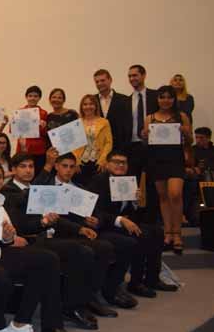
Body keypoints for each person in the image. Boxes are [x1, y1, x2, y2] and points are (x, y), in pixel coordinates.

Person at [0, 162, 78, 332]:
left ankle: (22, 324)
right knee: (10, 272)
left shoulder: (5, 199)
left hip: (4, 249)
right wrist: (7, 238)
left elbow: (21, 225)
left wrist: (42, 222)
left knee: (47, 260)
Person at [3, 152, 107, 330]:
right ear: (13, 170)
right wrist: (43, 221)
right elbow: (21, 223)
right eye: (23, 166)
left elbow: (56, 217)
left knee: (86, 250)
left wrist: (77, 228)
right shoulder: (10, 191)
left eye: (30, 166)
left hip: (46, 236)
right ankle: (71, 307)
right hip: (29, 240)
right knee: (78, 252)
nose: (28, 170)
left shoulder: (38, 189)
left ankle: (77, 303)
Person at [89, 150, 177, 300]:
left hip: (122, 224)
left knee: (157, 231)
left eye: (124, 162)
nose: (120, 165)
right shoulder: (99, 181)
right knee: (143, 235)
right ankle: (135, 283)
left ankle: (152, 279)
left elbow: (133, 214)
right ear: (107, 164)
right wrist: (120, 220)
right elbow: (96, 212)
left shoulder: (128, 181)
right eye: (116, 162)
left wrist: (136, 203)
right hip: (105, 226)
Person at [142, 85, 192, 254]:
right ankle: (168, 233)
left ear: (174, 99)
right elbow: (146, 141)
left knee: (175, 194)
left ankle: (178, 234)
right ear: (157, 99)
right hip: (157, 160)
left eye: (169, 97)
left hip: (175, 159)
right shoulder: (150, 118)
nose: (165, 100)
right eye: (162, 97)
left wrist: (186, 132)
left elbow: (190, 140)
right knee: (163, 197)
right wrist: (144, 135)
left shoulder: (182, 116)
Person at [72, 94, 112, 186]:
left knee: (97, 189)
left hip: (98, 163)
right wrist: (76, 161)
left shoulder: (104, 122)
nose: (88, 106)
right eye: (85, 104)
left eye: (91, 104)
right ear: (82, 107)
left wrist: (103, 160)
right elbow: (73, 144)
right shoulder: (77, 123)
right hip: (80, 163)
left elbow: (108, 143)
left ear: (95, 106)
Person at [185, 127, 214, 223]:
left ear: (208, 138)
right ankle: (195, 216)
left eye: (201, 138)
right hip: (196, 179)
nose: (198, 140)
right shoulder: (192, 151)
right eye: (196, 137)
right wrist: (192, 170)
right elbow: (185, 166)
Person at [17, 85, 48, 171]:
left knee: (37, 173)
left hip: (39, 150)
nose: (32, 98)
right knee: (22, 173)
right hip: (23, 148)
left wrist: (43, 126)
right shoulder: (19, 112)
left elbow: (45, 134)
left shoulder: (43, 113)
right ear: (26, 97)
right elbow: (13, 130)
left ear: (39, 98)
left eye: (35, 96)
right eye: (30, 96)